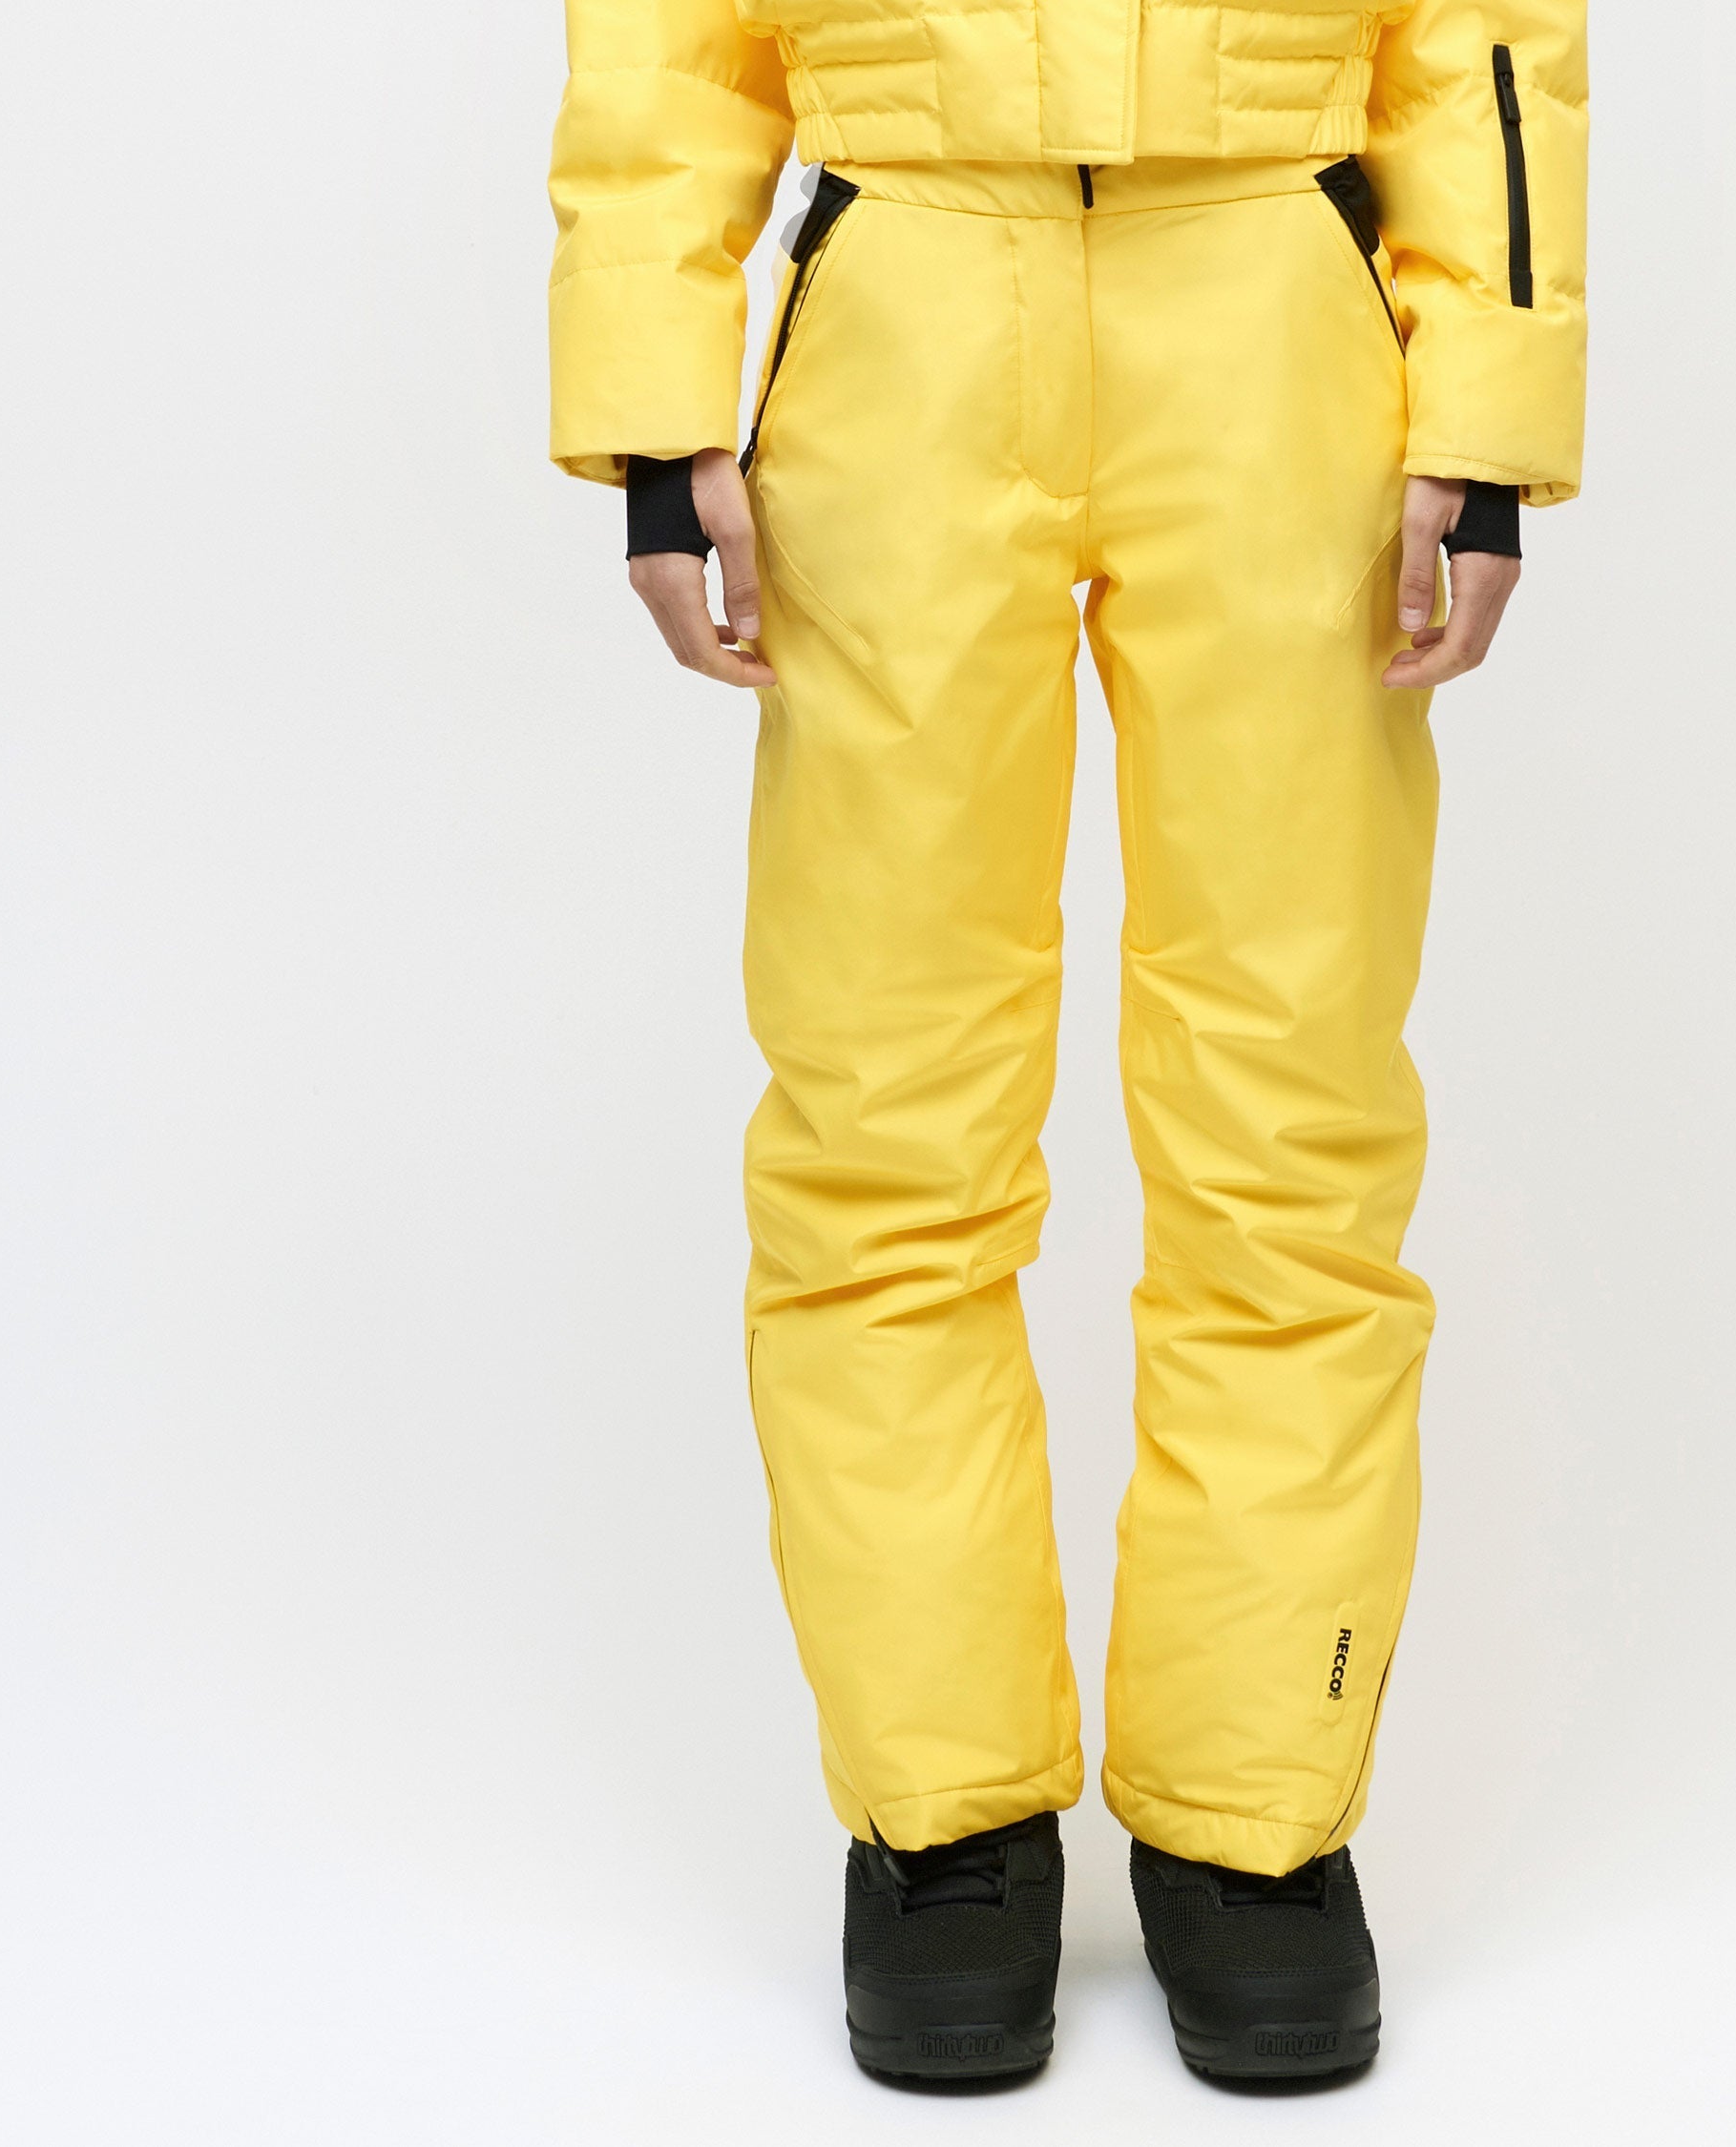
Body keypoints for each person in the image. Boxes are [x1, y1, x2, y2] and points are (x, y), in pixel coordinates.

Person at [546, 0, 1585, 2086]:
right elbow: (670, 28)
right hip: (906, 291)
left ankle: (1250, 1821)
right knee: (883, 1116)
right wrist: (657, 402)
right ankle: (946, 1821)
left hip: (1274, 287)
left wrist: (1482, 402)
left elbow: (1479, 23)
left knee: (1289, 1126)